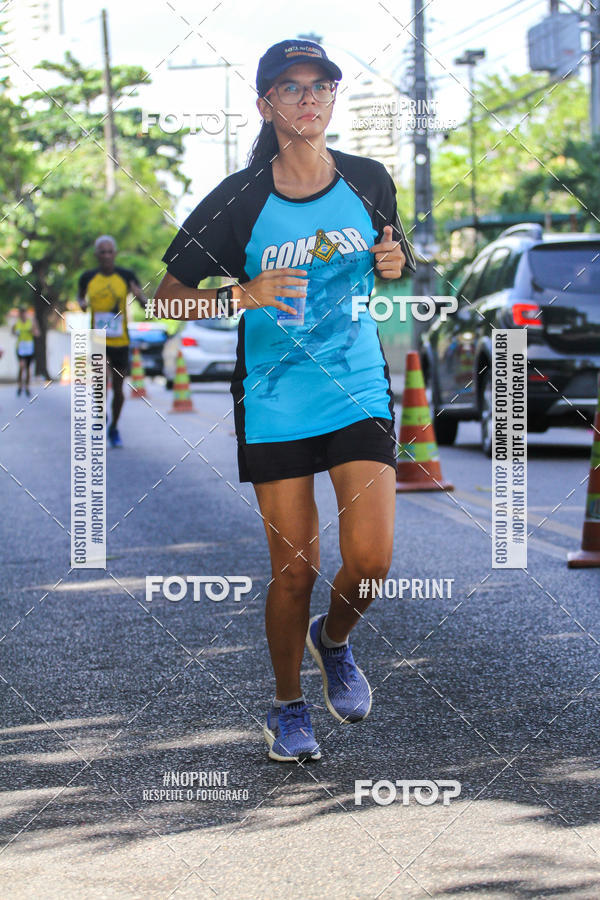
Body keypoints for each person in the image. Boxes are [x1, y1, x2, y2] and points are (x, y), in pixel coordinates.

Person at [156, 39, 416, 763]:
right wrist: (241, 293)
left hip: (357, 385)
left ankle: (333, 643)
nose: (309, 97)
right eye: (291, 87)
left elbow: (393, 256)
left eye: (321, 84)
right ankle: (286, 705)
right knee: (295, 570)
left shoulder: (368, 179)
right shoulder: (238, 200)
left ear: (334, 97)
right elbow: (165, 301)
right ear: (267, 103)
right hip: (273, 400)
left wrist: (396, 263)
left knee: (369, 561)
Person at [78, 236, 146, 447]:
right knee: (100, 384)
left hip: (121, 340)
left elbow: (145, 305)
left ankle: (114, 425)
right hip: (98, 339)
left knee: (118, 389)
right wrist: (81, 303)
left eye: (110, 251)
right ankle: (101, 415)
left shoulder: (126, 276)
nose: (106, 255)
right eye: (102, 251)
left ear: (115, 254)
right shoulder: (87, 277)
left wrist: (138, 296)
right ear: (96, 255)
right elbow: (80, 298)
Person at [12, 306, 40, 396]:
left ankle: (27, 387)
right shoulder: (17, 323)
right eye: (21, 313)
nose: (22, 315)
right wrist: (14, 331)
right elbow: (13, 332)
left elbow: (37, 333)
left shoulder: (30, 322)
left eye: (24, 313)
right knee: (21, 366)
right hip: (20, 347)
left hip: (29, 348)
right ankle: (20, 385)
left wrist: (33, 330)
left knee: (28, 368)